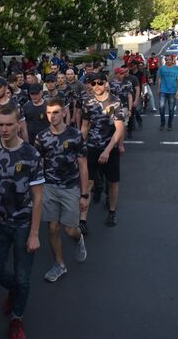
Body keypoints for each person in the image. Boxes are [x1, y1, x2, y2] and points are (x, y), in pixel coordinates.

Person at [0, 104, 44, 339]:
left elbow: (38, 198)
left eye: (9, 124)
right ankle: (15, 291)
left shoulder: (31, 154)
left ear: (18, 124)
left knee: (23, 275)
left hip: (23, 224)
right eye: (0, 124)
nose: (4, 129)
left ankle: (17, 318)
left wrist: (35, 233)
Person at [35, 97, 88, 283]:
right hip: (49, 187)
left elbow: (82, 165)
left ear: (64, 112)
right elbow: (39, 165)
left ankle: (78, 239)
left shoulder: (75, 135)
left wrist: (84, 195)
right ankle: (59, 264)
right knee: (52, 227)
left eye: (55, 112)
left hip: (70, 187)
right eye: (49, 113)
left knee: (70, 230)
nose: (52, 116)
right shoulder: (41, 137)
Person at [80, 73, 125, 229]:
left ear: (106, 83)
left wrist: (107, 150)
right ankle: (83, 220)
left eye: (100, 82)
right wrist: (80, 145)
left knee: (112, 182)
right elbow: (85, 126)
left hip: (109, 148)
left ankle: (112, 212)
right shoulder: (88, 102)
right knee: (88, 183)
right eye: (93, 83)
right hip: (92, 147)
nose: (97, 86)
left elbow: (119, 129)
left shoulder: (114, 102)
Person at [157, 55, 178, 131]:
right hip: (163, 91)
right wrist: (158, 89)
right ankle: (162, 123)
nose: (168, 61)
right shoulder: (162, 69)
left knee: (171, 110)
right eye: (166, 60)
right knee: (161, 109)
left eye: (169, 60)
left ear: (172, 60)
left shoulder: (177, 69)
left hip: (172, 92)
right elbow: (159, 79)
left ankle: (169, 124)